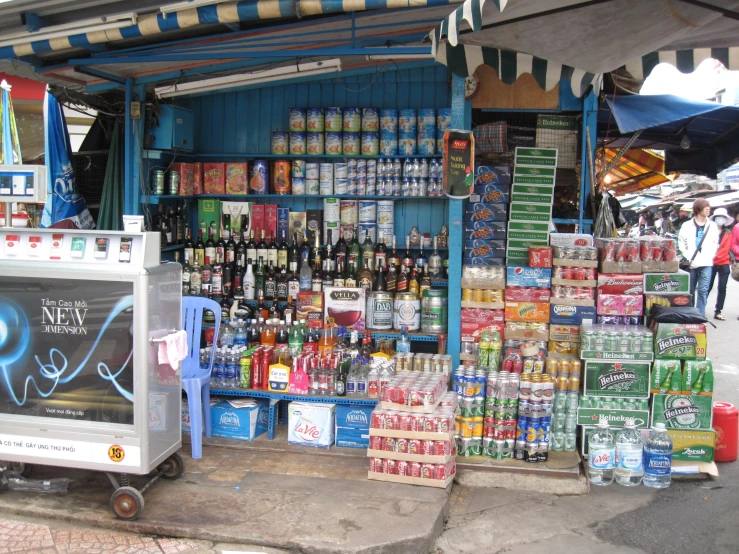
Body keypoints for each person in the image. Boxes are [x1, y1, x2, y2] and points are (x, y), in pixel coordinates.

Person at [678, 198, 719, 317]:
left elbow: (715, 243)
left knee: (703, 290)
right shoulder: (687, 225)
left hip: (706, 262)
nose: (708, 209)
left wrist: (711, 255)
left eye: (708, 207)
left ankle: (700, 315)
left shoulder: (712, 226)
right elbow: (681, 242)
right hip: (692, 262)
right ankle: (691, 314)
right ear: (697, 209)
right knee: (690, 291)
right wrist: (688, 255)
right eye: (705, 207)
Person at [706, 208, 732, 321]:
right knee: (707, 286)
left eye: (723, 217)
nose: (720, 219)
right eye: (719, 217)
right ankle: (700, 309)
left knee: (722, 287)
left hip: (724, 262)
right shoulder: (709, 231)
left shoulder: (728, 233)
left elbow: (728, 247)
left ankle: (718, 311)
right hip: (710, 262)